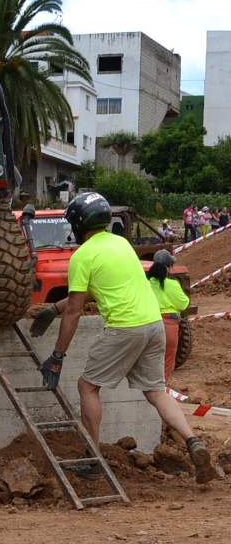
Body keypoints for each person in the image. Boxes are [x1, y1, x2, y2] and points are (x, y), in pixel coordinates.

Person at [30, 192, 216, 483]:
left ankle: (92, 459)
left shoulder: (83, 256)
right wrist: (54, 307)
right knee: (156, 391)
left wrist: (57, 356)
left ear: (79, 223)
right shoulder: (122, 245)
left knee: (87, 386)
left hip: (125, 328)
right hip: (154, 324)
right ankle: (193, 441)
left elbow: (76, 310)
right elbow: (95, 289)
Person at [147, 250, 189, 381]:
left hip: (148, 324)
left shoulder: (146, 284)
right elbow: (183, 304)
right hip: (169, 324)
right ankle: (162, 392)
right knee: (167, 361)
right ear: (168, 267)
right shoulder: (172, 284)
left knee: (149, 360)